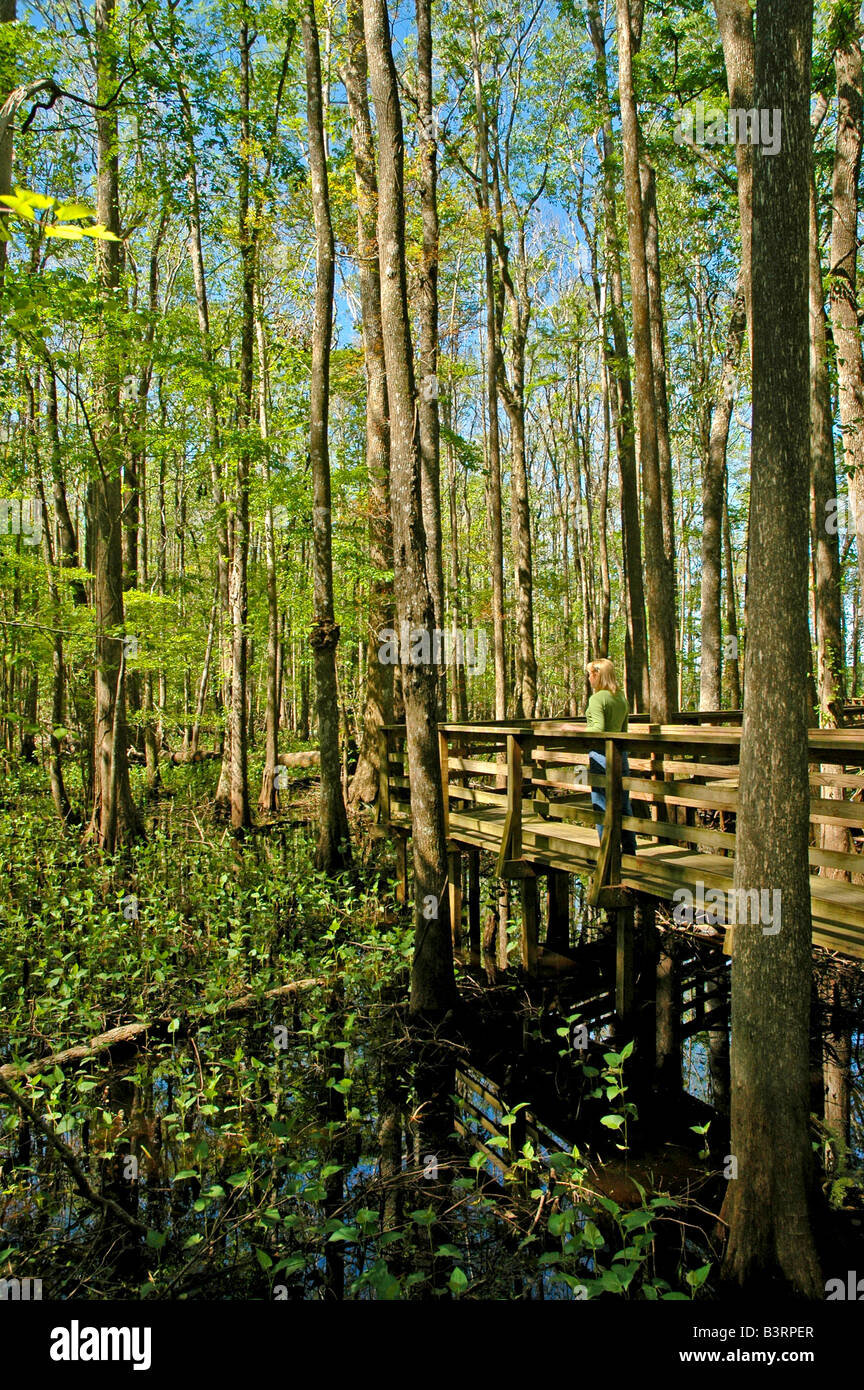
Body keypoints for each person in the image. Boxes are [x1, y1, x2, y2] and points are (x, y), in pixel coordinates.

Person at [584, 658, 638, 856]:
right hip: (620, 756)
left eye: (590, 674)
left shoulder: (597, 699)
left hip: (600, 756)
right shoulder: (621, 697)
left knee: (601, 805)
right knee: (623, 805)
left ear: (598, 675)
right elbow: (623, 730)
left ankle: (607, 851)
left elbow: (597, 729)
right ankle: (630, 851)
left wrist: (575, 731)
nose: (589, 678)